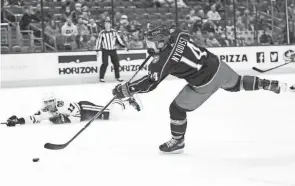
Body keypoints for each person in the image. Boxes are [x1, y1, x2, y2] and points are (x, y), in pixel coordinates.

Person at [112, 24, 293, 154]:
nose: (148, 47)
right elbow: (182, 33)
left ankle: (178, 141)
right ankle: (265, 83)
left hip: (203, 83)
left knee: (176, 109)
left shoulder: (163, 61)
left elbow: (150, 83)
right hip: (217, 66)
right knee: (237, 83)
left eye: (151, 44)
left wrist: (127, 89)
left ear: (160, 43)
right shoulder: (178, 36)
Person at [4, 92, 141, 127]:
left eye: (50, 101)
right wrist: (18, 121)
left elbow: (77, 115)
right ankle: (124, 101)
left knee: (114, 115)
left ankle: (125, 100)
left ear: (54, 100)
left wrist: (66, 119)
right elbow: (34, 118)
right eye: (47, 102)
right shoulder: (45, 109)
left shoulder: (62, 103)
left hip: (84, 109)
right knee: (112, 116)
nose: (49, 104)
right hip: (82, 114)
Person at [96, 17, 127, 83]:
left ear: (110, 24)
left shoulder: (114, 32)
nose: (106, 25)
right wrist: (97, 50)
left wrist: (123, 46)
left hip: (113, 50)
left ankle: (118, 77)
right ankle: (101, 77)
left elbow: (118, 40)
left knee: (116, 63)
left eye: (108, 24)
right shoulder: (102, 33)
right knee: (105, 64)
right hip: (105, 50)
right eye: (105, 24)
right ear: (104, 25)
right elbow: (98, 42)